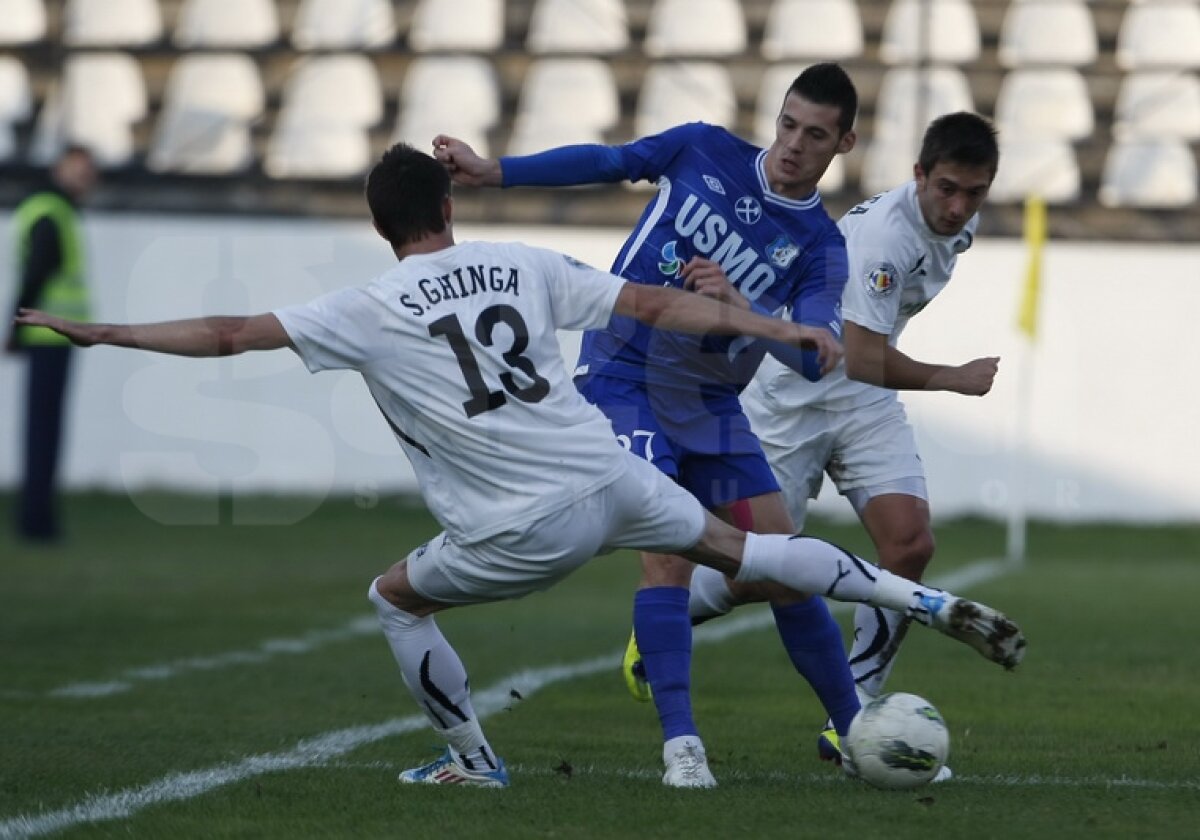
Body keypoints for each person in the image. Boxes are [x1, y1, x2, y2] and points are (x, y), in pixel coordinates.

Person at [14, 143, 1025, 790]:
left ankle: (474, 764)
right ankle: (922, 603)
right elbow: (656, 304)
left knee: (395, 595)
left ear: (380, 224)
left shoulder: (367, 307)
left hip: (516, 528)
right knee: (752, 546)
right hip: (613, 478)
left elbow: (232, 332)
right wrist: (770, 322)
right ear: (450, 202)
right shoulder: (523, 263)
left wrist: (102, 332)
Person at [434, 63, 868, 778]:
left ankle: (859, 733)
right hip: (623, 376)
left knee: (785, 564)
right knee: (667, 543)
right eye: (788, 123)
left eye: (814, 134)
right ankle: (682, 747)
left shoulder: (822, 246)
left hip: (710, 404)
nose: (793, 144)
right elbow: (607, 161)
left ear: (844, 143)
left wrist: (742, 312)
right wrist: (493, 172)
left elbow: (817, 359)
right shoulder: (701, 148)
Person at [687, 112, 1002, 779]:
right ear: (918, 175)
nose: (957, 207)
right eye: (946, 188)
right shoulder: (884, 239)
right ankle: (669, 611)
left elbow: (863, 364)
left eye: (973, 193)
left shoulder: (957, 225)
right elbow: (862, 356)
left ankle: (853, 715)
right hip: (792, 393)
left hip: (858, 396)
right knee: (766, 569)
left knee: (911, 545)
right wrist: (951, 377)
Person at [5, 145, 97, 542]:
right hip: (50, 336)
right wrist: (16, 328)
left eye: (88, 172)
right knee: (45, 431)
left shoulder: (52, 209)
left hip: (51, 336)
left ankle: (36, 515)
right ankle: (36, 520)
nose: (84, 179)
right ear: (57, 169)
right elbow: (37, 273)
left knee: (43, 429)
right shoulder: (52, 211)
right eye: (76, 170)